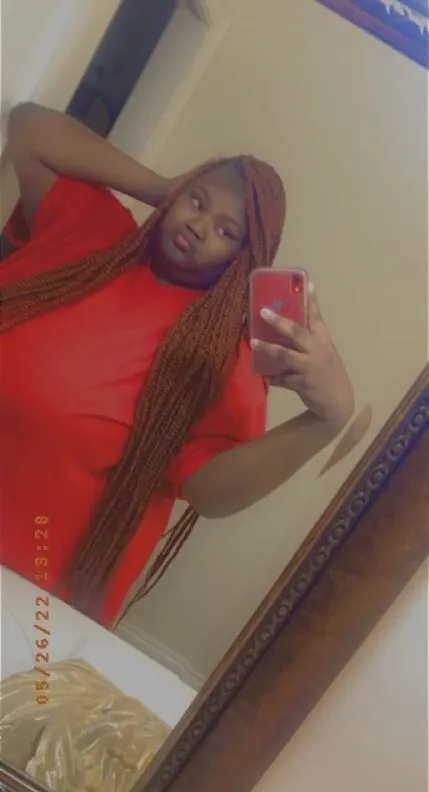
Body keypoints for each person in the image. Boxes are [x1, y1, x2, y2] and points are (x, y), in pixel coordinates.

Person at [0, 103, 354, 628]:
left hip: (27, 604)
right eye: (197, 201)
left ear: (244, 258)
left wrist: (324, 421)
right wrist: (163, 188)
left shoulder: (216, 356)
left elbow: (209, 493)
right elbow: (29, 126)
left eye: (227, 231)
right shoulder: (93, 233)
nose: (200, 225)